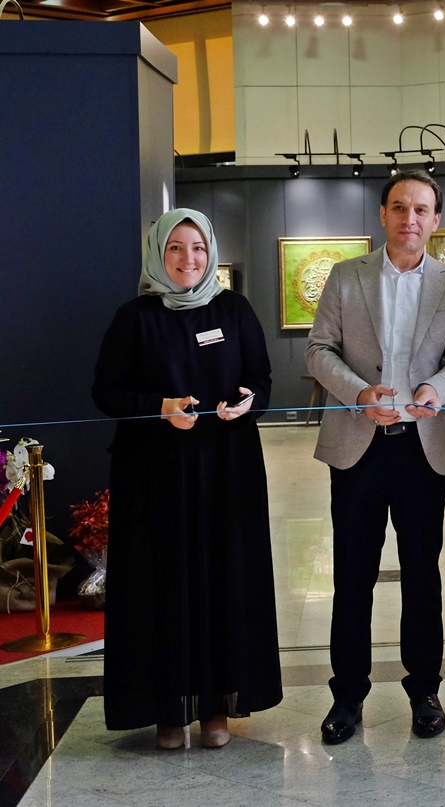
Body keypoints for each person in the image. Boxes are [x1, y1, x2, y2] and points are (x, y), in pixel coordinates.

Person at [92, 208, 281, 749]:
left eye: (197, 247)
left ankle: (217, 708)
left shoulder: (235, 309)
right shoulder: (134, 317)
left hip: (226, 470)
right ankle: (168, 711)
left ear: (211, 253)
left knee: (223, 580)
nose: (188, 259)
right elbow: (106, 392)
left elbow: (260, 380)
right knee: (162, 585)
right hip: (154, 474)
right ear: (158, 252)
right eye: (175, 247)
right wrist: (161, 407)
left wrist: (247, 403)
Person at [306, 170, 445, 745]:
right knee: (352, 575)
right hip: (358, 445)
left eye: (421, 209)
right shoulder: (345, 276)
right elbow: (319, 350)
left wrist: (436, 390)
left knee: (423, 575)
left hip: (423, 449)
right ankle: (347, 695)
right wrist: (359, 393)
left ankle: (424, 691)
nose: (410, 218)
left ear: (435, 220)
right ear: (382, 214)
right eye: (399, 207)